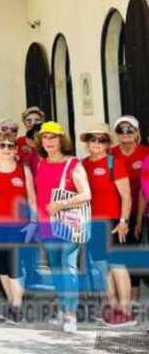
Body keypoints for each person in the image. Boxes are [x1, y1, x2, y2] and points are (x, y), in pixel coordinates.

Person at [33, 121, 91, 333]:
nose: (48, 141)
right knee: (56, 268)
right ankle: (62, 308)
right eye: (45, 137)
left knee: (68, 267)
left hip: (68, 223)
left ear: (61, 140)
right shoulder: (41, 163)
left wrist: (60, 204)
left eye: (53, 137)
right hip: (47, 223)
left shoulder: (73, 164)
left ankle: (71, 314)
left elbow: (86, 194)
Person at [80, 123, 134, 326]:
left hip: (113, 222)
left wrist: (124, 221)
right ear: (86, 142)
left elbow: (127, 196)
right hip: (91, 223)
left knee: (118, 266)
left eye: (101, 139)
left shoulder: (114, 163)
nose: (96, 143)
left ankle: (126, 310)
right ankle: (112, 308)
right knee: (103, 267)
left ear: (108, 143)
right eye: (92, 139)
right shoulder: (83, 165)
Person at [0, 132, 37, 324]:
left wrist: (33, 222)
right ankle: (12, 302)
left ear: (15, 150)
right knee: (1, 267)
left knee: (15, 267)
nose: (6, 149)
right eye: (2, 145)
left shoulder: (24, 170)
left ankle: (17, 306)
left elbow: (31, 199)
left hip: (19, 226)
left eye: (9, 146)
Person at [111, 115, 148, 301]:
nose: (125, 134)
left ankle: (133, 303)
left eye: (129, 129)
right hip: (115, 214)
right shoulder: (110, 154)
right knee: (117, 259)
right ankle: (118, 302)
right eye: (121, 130)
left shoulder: (145, 153)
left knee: (133, 257)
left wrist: (140, 219)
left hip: (138, 213)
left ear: (136, 132)